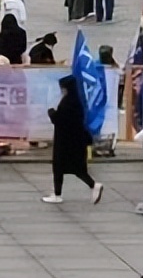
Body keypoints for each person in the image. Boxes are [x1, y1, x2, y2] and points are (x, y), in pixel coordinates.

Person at [42, 75, 103, 205]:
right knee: (78, 169)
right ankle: (93, 185)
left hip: (66, 141)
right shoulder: (76, 101)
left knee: (58, 167)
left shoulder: (67, 102)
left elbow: (59, 120)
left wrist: (51, 112)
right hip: (76, 141)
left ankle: (57, 195)